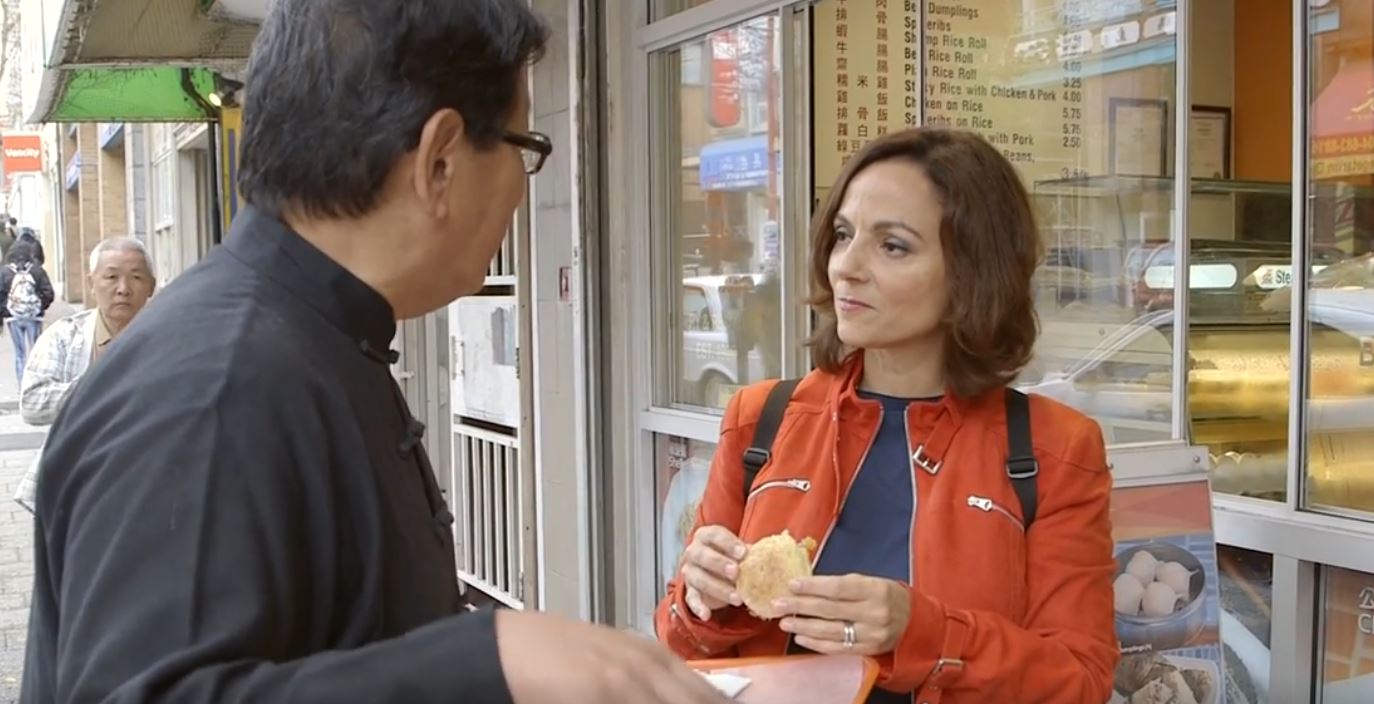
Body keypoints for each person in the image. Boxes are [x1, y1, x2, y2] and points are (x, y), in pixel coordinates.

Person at [21, 2, 726, 704]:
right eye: (523, 145)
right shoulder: (212, 386)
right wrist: (486, 659)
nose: (520, 183)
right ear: (440, 161)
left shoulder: (308, 337)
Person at [656, 128, 1118, 703]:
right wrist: (701, 601)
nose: (846, 267)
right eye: (843, 235)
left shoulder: (1053, 448)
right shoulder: (761, 419)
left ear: (971, 273)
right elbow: (680, 642)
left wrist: (920, 631)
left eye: (892, 246)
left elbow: (1080, 680)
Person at [12, 237, 157, 513]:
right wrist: (100, 384)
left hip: (152, 485)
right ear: (92, 283)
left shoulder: (172, 338)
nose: (123, 289)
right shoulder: (65, 336)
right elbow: (31, 404)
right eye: (111, 277)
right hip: (79, 486)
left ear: (151, 285)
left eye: (136, 277)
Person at [0, 241, 55, 383]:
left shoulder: (4, 272)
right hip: (34, 317)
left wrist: (6, 311)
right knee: (36, 352)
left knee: (20, 354)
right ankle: (36, 383)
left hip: (14, 318)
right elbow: (49, 293)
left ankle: (22, 386)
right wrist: (39, 308)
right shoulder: (37, 270)